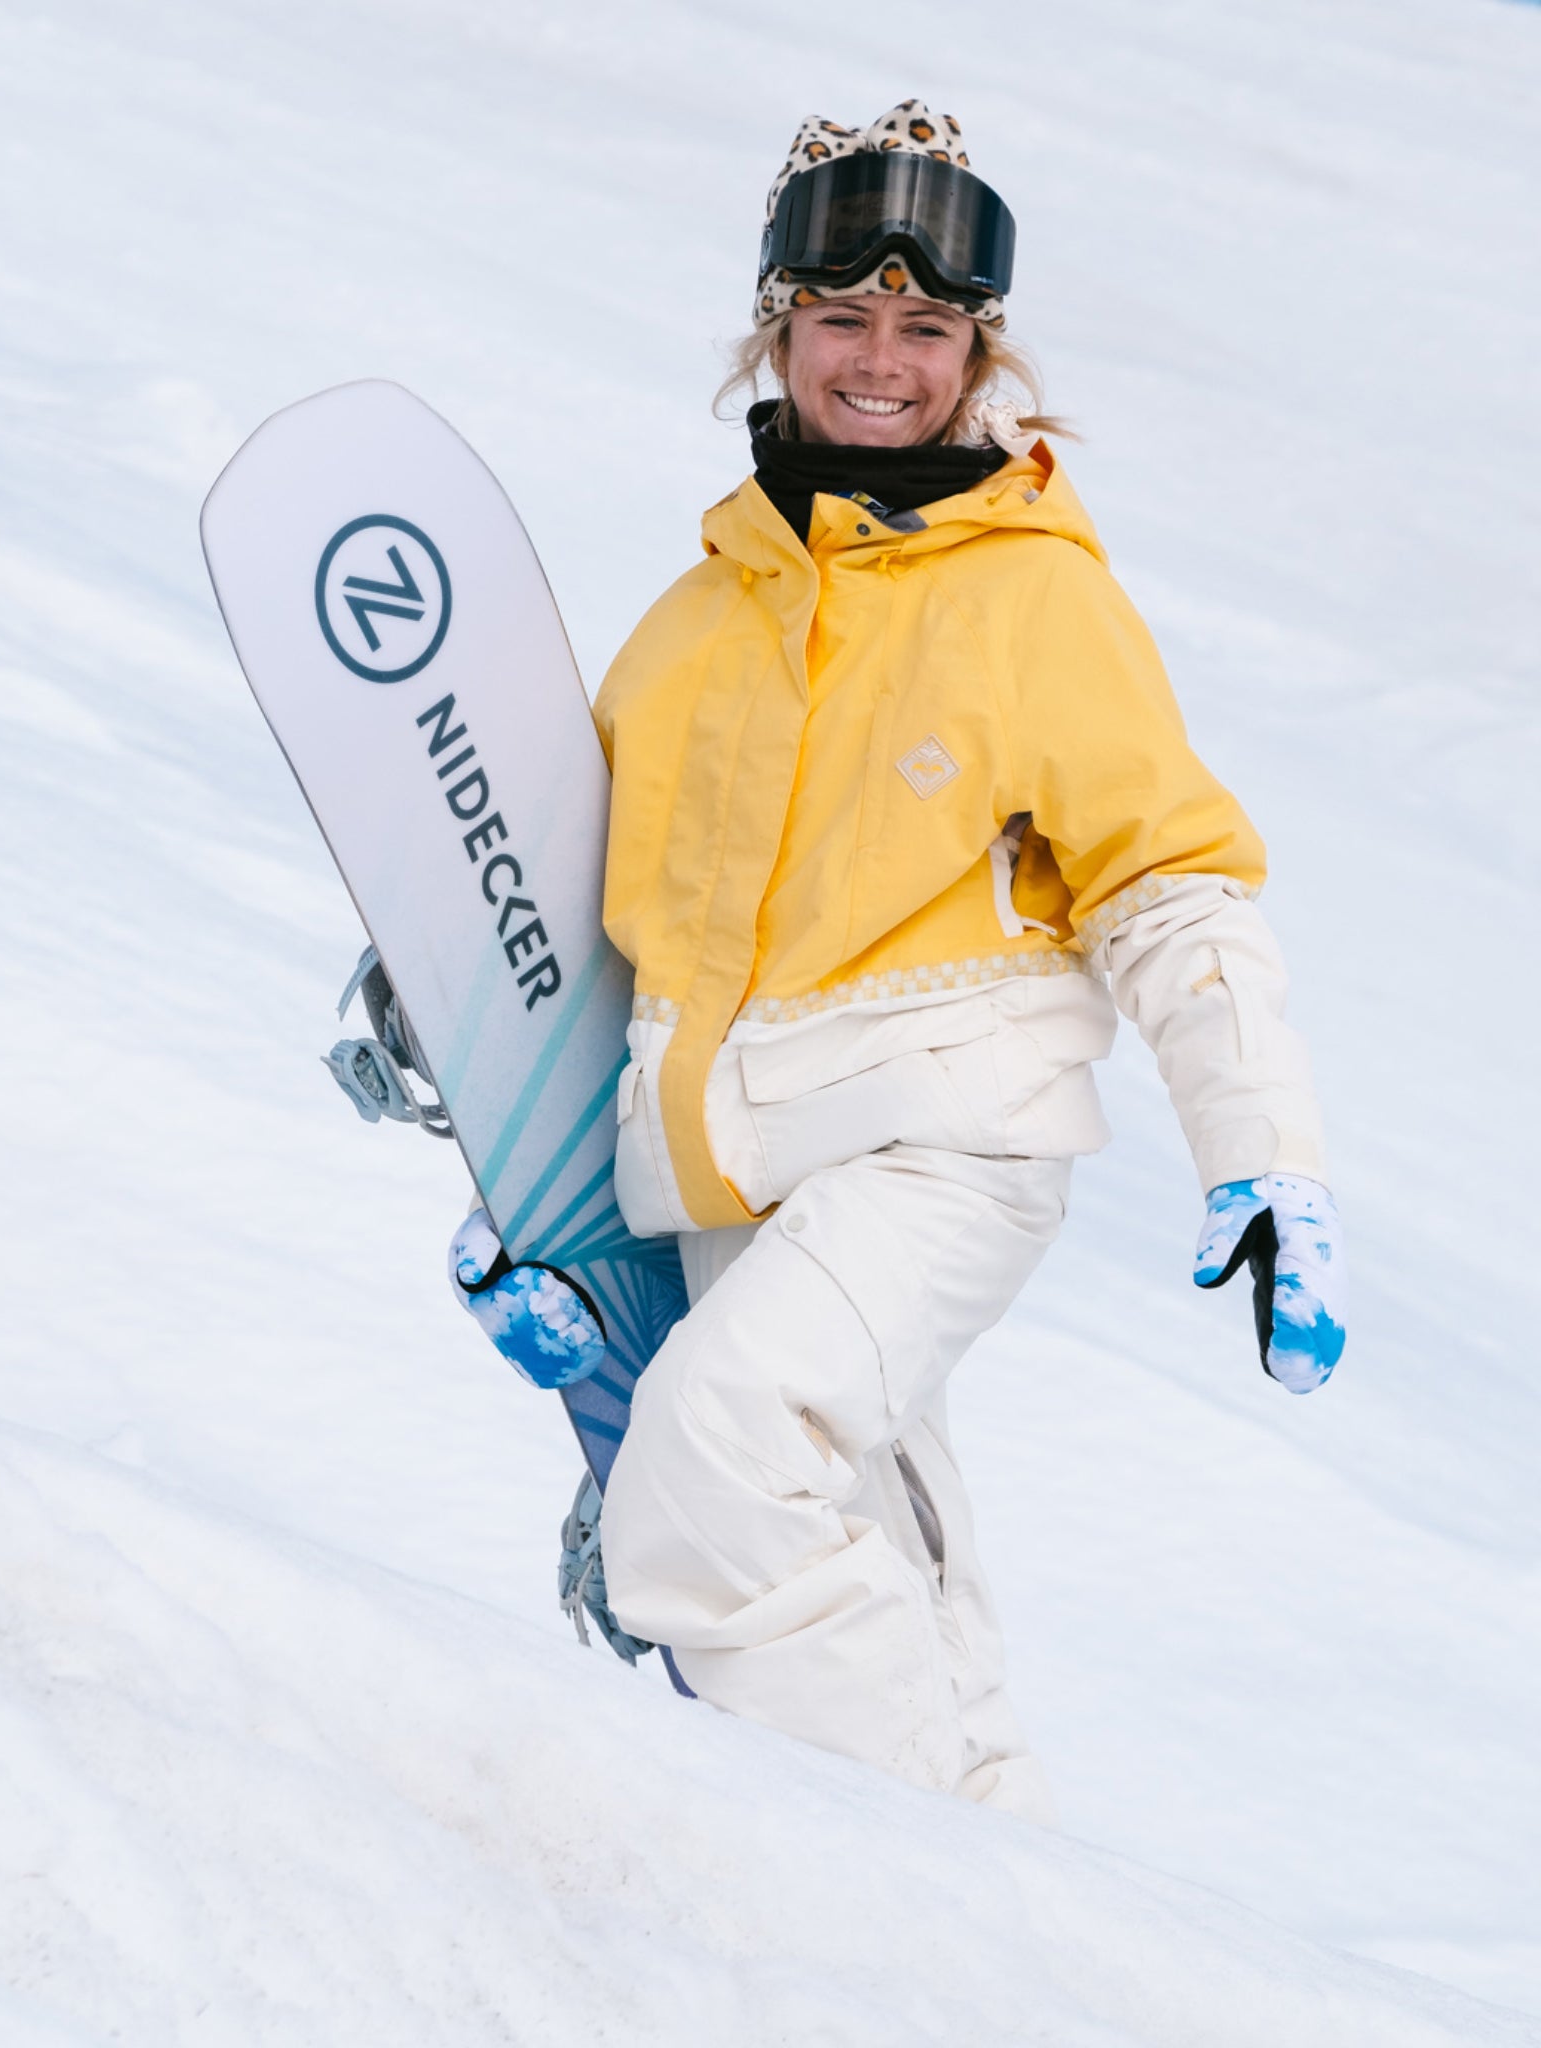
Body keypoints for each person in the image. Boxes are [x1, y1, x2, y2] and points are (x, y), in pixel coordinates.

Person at [571, 101, 1348, 1823]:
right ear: (776, 330)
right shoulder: (698, 622)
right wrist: (536, 1189)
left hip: (946, 1142)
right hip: (739, 1167)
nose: (881, 360)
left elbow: (1168, 880)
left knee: (716, 1461)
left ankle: (891, 1910)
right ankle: (1003, 1869)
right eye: (845, 317)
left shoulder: (1030, 596)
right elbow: (619, 944)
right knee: (877, 1544)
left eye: (926, 328)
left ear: (979, 357)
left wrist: (1266, 1150)